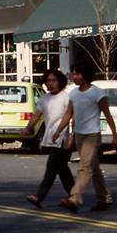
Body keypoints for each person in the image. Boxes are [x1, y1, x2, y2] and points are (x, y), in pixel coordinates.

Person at [53, 63, 117, 213]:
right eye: (73, 73)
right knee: (94, 168)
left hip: (93, 135)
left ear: (85, 76)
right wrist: (60, 131)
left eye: (77, 74)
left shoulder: (98, 93)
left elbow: (108, 115)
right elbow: (69, 115)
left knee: (84, 167)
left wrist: (115, 136)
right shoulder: (73, 94)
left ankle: (75, 198)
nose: (74, 76)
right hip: (79, 135)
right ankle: (104, 198)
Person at [25, 69, 75, 208]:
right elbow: (37, 115)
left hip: (62, 139)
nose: (51, 83)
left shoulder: (66, 97)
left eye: (54, 80)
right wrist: (28, 127)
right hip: (50, 138)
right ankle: (74, 196)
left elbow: (71, 116)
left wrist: (70, 135)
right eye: (48, 81)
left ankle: (39, 196)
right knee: (62, 170)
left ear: (60, 82)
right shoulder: (44, 98)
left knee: (51, 168)